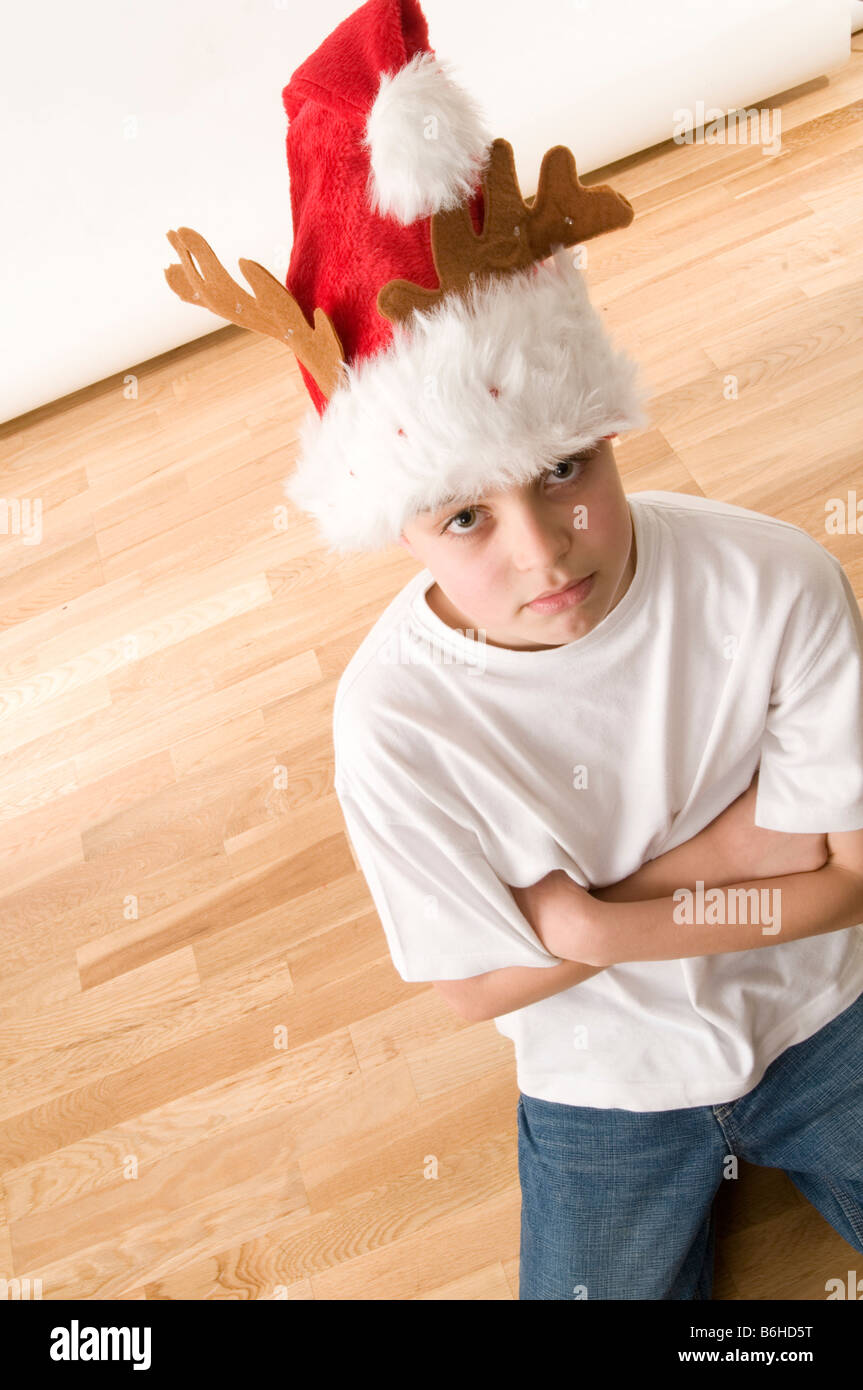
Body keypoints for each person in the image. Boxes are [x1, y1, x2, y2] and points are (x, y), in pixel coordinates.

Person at [163, 0, 863, 1299]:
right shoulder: (391, 721)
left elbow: (854, 883)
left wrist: (583, 920)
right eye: (468, 514)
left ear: (606, 425)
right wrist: (726, 854)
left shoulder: (776, 579)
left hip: (830, 1020)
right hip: (606, 1084)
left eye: (563, 468)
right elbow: (477, 985)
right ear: (400, 523)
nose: (544, 552)